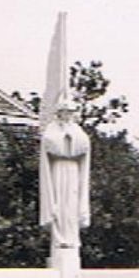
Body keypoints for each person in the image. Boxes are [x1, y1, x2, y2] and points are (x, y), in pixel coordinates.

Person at [39, 95, 91, 249]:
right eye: (65, 112)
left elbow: (84, 145)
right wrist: (63, 138)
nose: (68, 115)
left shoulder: (77, 129)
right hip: (58, 168)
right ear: (59, 113)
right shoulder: (52, 129)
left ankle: (72, 236)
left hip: (73, 169)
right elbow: (50, 144)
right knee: (59, 202)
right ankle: (59, 235)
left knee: (72, 203)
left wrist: (71, 138)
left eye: (70, 112)